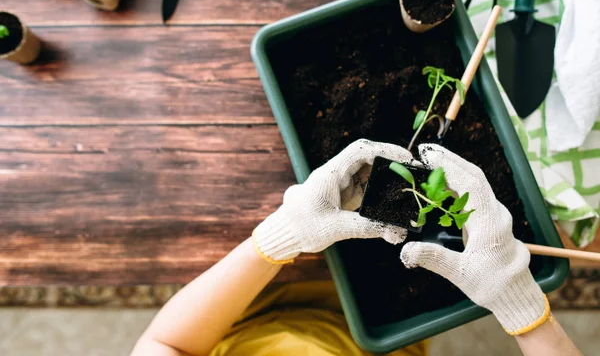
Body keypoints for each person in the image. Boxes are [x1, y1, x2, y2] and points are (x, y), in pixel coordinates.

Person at [131, 140, 581, 356]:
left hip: (259, 308)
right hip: (391, 330)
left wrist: (276, 238)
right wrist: (517, 305)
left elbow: (166, 345)